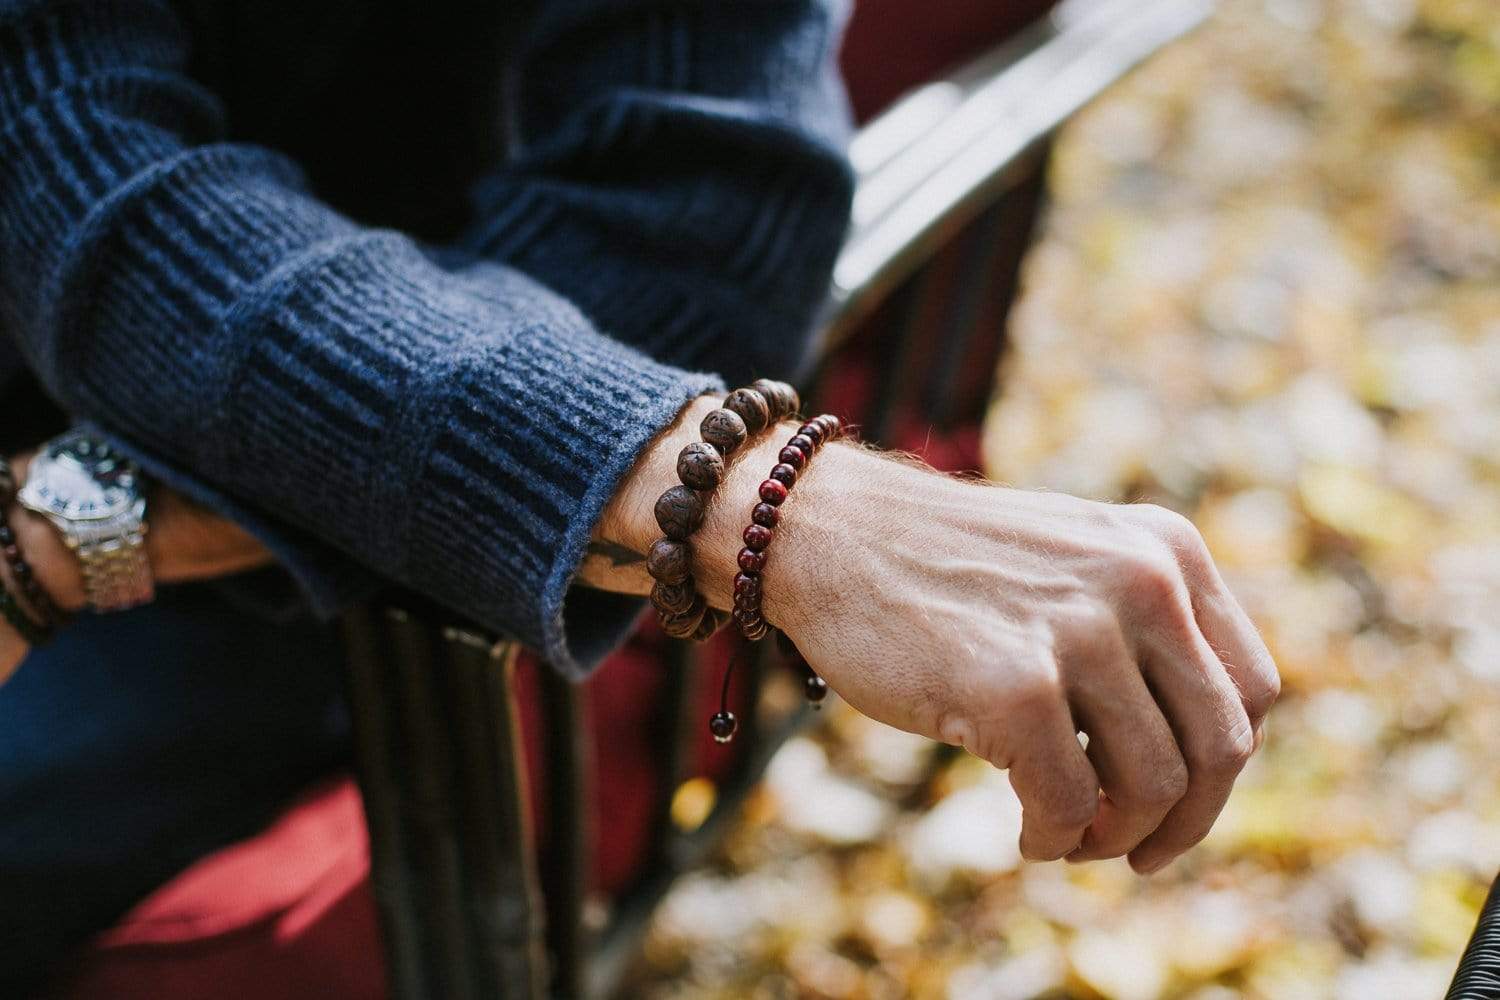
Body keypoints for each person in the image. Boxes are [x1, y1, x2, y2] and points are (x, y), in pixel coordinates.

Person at [0, 0, 1280, 993]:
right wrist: (751, 498)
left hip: (247, 588)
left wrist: (82, 514)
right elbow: (52, 138)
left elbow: (679, 230)